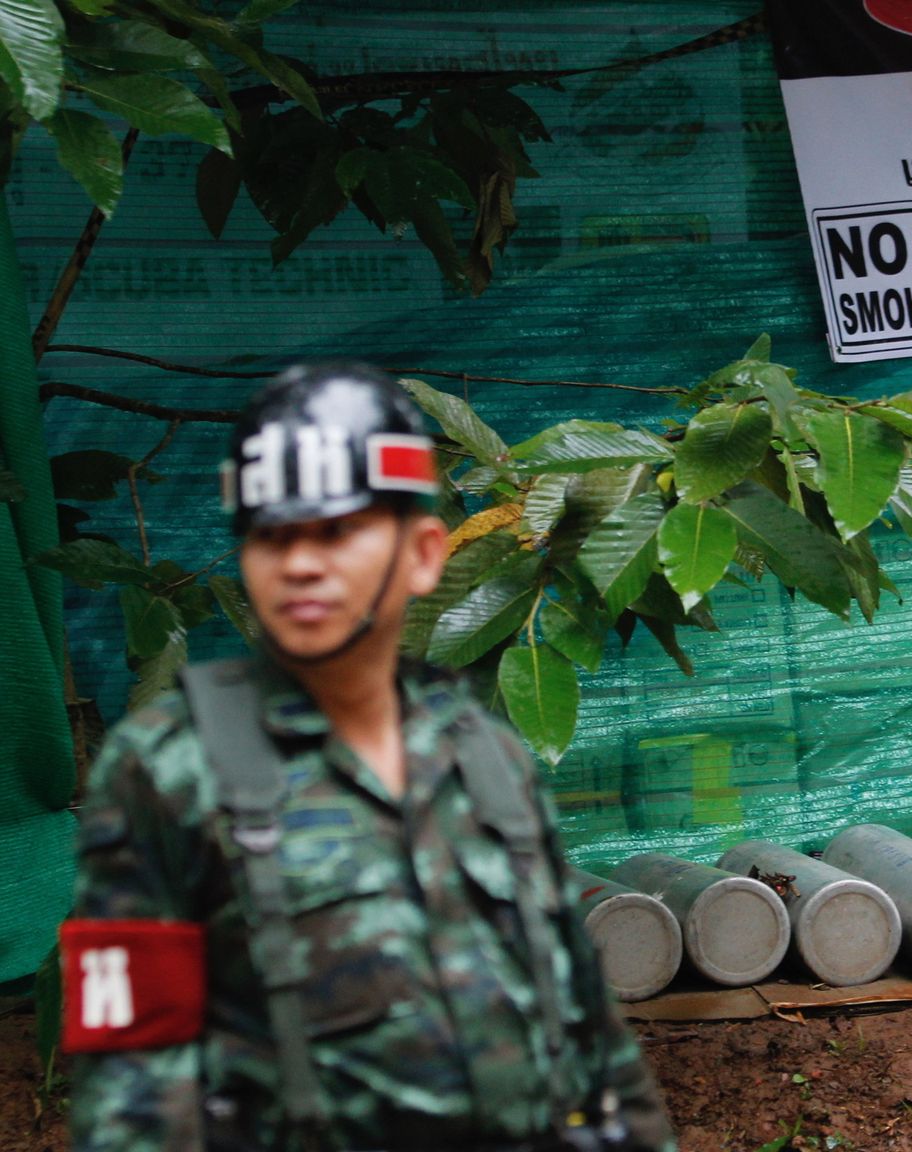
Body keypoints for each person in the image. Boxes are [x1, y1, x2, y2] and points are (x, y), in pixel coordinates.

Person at [61, 362, 676, 1151]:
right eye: (273, 534)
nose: (302, 563)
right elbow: (128, 1094)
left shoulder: (482, 751)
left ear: (422, 553)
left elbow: (588, 1029)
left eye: (339, 530)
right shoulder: (169, 765)